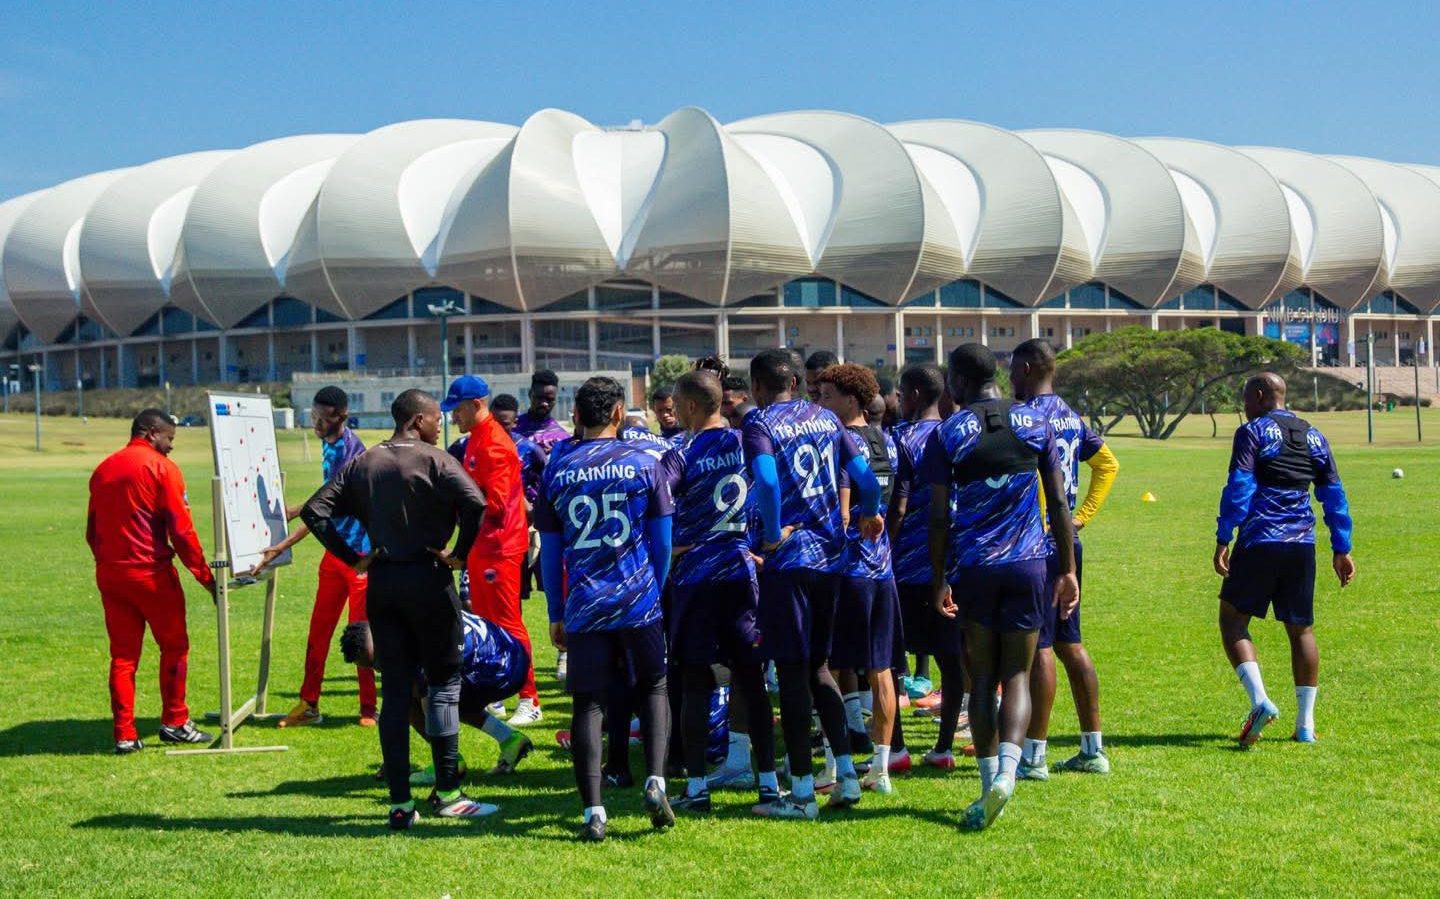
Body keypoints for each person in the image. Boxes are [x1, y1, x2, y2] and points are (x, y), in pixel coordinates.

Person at [300, 389, 493, 830]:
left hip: (383, 583)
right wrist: (459, 553)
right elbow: (476, 503)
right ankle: (449, 794)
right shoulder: (436, 459)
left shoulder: (365, 461)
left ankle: (400, 804)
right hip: (429, 578)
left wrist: (353, 557)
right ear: (418, 420)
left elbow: (315, 511)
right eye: (434, 420)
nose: (439, 426)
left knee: (395, 692)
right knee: (444, 685)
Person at [921, 344, 1078, 831]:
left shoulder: (947, 433)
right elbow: (1057, 504)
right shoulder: (1035, 423)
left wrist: (939, 576)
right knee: (1018, 674)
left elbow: (938, 518)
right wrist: (1068, 569)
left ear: (959, 382)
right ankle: (1011, 771)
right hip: (1031, 565)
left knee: (982, 678)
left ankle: (990, 784)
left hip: (976, 570)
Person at [743, 348, 883, 819]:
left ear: (758, 388)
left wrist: (769, 533)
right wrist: (870, 511)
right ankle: (846, 776)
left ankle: (802, 794)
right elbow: (864, 474)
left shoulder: (760, 423)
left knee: (791, 672)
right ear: (798, 384)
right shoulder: (827, 420)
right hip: (831, 559)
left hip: (790, 563)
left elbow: (764, 481)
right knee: (821, 668)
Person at [536, 376, 677, 842]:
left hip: (585, 602)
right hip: (638, 597)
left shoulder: (557, 470)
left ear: (576, 415)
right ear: (619, 413)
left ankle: (594, 812)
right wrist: (653, 590)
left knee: (588, 703)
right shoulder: (644, 463)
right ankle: (656, 781)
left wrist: (557, 612)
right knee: (655, 686)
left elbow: (551, 554)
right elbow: (662, 542)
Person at [658, 371, 779, 813]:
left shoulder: (680, 451)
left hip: (695, 580)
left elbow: (658, 503)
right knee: (751, 679)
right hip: (742, 574)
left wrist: (677, 545)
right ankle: (768, 784)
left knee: (694, 683)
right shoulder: (747, 441)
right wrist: (766, 539)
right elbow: (772, 486)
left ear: (690, 407)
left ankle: (696, 790)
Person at [1214, 372, 1355, 746]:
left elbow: (1240, 486)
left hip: (1260, 540)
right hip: (1302, 545)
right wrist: (1342, 547)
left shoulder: (1254, 432)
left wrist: (1224, 536)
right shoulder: (1314, 435)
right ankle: (1305, 725)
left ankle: (1260, 700)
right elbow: (1334, 493)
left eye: (1246, 399)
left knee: (1232, 620)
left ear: (1260, 396)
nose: (1244, 408)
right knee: (1301, 630)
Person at [1008, 339, 1119, 779]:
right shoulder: (1072, 416)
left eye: (1014, 369)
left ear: (1031, 368)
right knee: (1071, 642)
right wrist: (1080, 518)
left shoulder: (1028, 418)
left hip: (1038, 542)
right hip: (1067, 541)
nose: (1010, 378)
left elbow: (1039, 482)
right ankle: (1093, 748)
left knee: (1042, 647)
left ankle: (1034, 755)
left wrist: (1050, 520)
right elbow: (1107, 464)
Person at [87, 409, 216, 753]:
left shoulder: (103, 469)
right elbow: (182, 531)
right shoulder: (163, 468)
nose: (172, 445)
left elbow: (92, 530)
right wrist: (206, 577)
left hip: (111, 574)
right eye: (169, 438)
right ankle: (175, 721)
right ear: (150, 433)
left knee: (123, 657)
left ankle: (125, 735)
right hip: (152, 576)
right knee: (174, 647)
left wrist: (109, 564)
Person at [249, 386, 377, 729]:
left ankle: (369, 708)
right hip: (334, 554)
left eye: (323, 419)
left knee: (360, 633)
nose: (316, 424)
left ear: (342, 417)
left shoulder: (350, 452)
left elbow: (323, 509)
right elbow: (324, 498)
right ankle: (309, 704)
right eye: (313, 417)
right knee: (318, 630)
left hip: (360, 557)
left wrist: (283, 543)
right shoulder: (329, 442)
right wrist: (292, 510)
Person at [814, 363, 902, 795]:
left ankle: (833, 768)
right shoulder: (890, 442)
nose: (820, 404)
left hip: (846, 569)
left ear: (851, 400)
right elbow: (897, 507)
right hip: (883, 569)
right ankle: (881, 769)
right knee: (881, 669)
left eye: (827, 395)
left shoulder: (840, 443)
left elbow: (844, 509)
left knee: (830, 666)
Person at [442, 376, 543, 726]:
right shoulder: (476, 440)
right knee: (487, 625)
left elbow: (495, 505)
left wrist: (457, 505)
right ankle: (497, 691)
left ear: (476, 404)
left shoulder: (494, 444)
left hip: (500, 547)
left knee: (507, 623)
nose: (453, 417)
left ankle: (529, 697)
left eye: (456, 409)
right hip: (483, 546)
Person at [340, 615, 534, 782]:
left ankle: (447, 763)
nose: (379, 668)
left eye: (376, 662)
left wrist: (394, 761)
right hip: (515, 656)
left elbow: (425, 707)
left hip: (496, 671)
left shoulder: (410, 647)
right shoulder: (400, 618)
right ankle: (509, 738)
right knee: (440, 694)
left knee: (413, 698)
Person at [885, 364, 952, 765]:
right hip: (947, 565)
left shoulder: (900, 439)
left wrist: (887, 548)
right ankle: (943, 748)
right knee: (951, 657)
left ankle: (897, 748)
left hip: (905, 564)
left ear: (909, 395)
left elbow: (899, 503)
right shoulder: (958, 434)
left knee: (892, 659)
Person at [489, 393, 547, 606]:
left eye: (504, 424)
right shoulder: (471, 445)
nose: (498, 429)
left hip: (519, 532)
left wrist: (534, 508)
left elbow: (549, 480)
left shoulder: (529, 450)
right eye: (493, 422)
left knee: (514, 597)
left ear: (515, 423)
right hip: (487, 533)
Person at [514, 369, 570, 453]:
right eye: (539, 398)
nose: (544, 403)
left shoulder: (562, 438)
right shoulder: (513, 428)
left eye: (550, 399)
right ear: (530, 394)